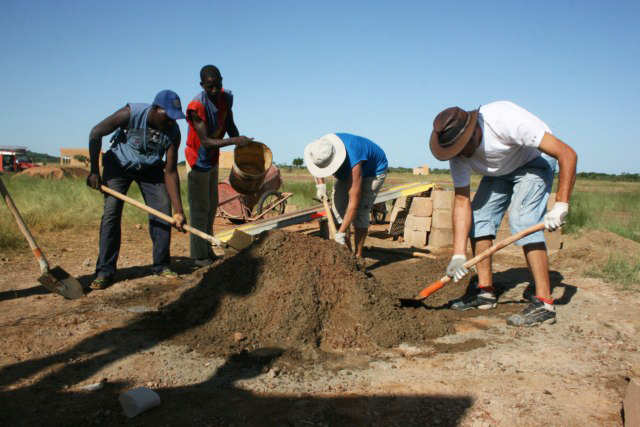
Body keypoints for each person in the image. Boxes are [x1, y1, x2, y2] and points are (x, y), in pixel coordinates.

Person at [429, 101, 577, 326]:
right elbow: (461, 202)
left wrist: (561, 204)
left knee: (524, 220)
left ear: (473, 133)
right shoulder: (457, 154)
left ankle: (544, 302)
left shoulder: (503, 120)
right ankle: (485, 292)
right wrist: (458, 254)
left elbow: (567, 154)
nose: (459, 156)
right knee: (478, 219)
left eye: (461, 149)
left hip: (534, 160)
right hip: (500, 170)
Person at [86, 90, 187, 289]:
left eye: (175, 118)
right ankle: (105, 270)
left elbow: (171, 171)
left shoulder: (173, 131)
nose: (171, 122)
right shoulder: (130, 113)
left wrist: (179, 211)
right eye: (168, 116)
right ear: (157, 109)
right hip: (119, 164)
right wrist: (94, 172)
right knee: (111, 213)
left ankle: (161, 265)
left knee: (162, 210)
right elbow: (95, 133)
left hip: (150, 168)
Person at [185, 65, 253, 266]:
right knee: (200, 207)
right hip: (197, 159)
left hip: (212, 157)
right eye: (209, 87)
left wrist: (241, 146)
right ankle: (199, 256)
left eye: (218, 85)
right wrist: (234, 142)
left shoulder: (225, 98)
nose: (214, 90)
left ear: (222, 80)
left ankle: (207, 248)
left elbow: (230, 124)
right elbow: (205, 141)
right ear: (202, 85)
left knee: (211, 205)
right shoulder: (196, 106)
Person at [304, 133, 388, 258]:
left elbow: (354, 202)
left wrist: (341, 233)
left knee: (361, 211)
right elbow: (317, 165)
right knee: (337, 210)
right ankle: (348, 255)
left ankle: (358, 256)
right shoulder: (319, 148)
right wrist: (320, 186)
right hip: (345, 169)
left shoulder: (354, 159)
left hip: (373, 171)